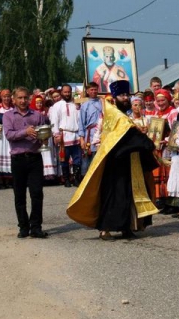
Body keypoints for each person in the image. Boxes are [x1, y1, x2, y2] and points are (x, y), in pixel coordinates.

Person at [67, 80, 159, 240]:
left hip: (128, 162)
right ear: (115, 97)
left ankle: (126, 228)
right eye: (122, 95)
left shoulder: (122, 114)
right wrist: (148, 143)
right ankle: (104, 229)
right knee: (112, 196)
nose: (125, 98)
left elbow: (131, 135)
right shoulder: (115, 115)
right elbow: (129, 135)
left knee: (128, 195)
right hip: (114, 163)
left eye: (126, 95)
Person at [3, 87, 48, 239]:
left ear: (29, 99)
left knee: (36, 193)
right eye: (19, 98)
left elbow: (44, 131)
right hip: (18, 159)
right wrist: (25, 132)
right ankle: (23, 226)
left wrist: (45, 137)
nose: (22, 101)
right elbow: (9, 134)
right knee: (19, 195)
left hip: (34, 158)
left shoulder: (37, 115)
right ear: (14, 100)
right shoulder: (8, 116)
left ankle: (36, 227)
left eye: (25, 98)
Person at [50, 84, 82, 187]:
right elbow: (54, 121)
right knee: (64, 159)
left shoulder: (76, 104)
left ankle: (76, 179)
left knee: (77, 159)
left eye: (69, 92)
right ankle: (66, 179)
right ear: (61, 93)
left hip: (76, 135)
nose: (67, 94)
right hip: (63, 135)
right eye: (65, 92)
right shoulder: (57, 106)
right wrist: (56, 135)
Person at [79, 82, 103, 177]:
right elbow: (81, 122)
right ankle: (85, 178)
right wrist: (81, 139)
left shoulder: (102, 102)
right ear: (88, 91)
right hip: (89, 134)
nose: (93, 91)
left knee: (99, 156)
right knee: (87, 158)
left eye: (95, 89)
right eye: (91, 90)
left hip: (101, 133)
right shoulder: (85, 105)